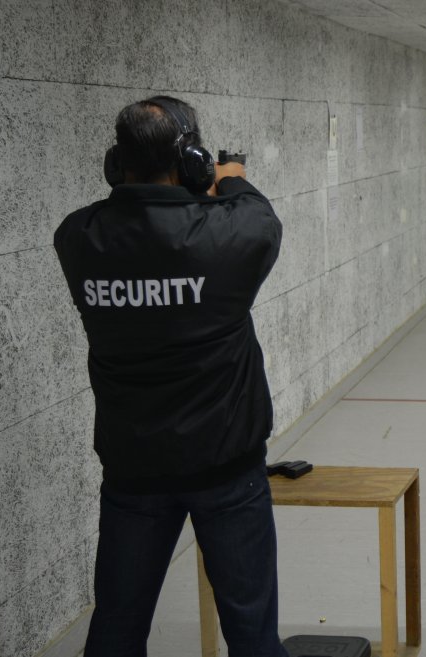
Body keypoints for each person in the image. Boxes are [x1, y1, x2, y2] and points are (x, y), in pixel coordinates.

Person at [54, 96, 286, 656]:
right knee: (251, 633)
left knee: (116, 629)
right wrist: (227, 179)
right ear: (193, 161)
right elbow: (259, 217)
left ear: (117, 163)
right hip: (226, 468)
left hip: (134, 470)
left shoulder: (79, 239)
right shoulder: (229, 235)